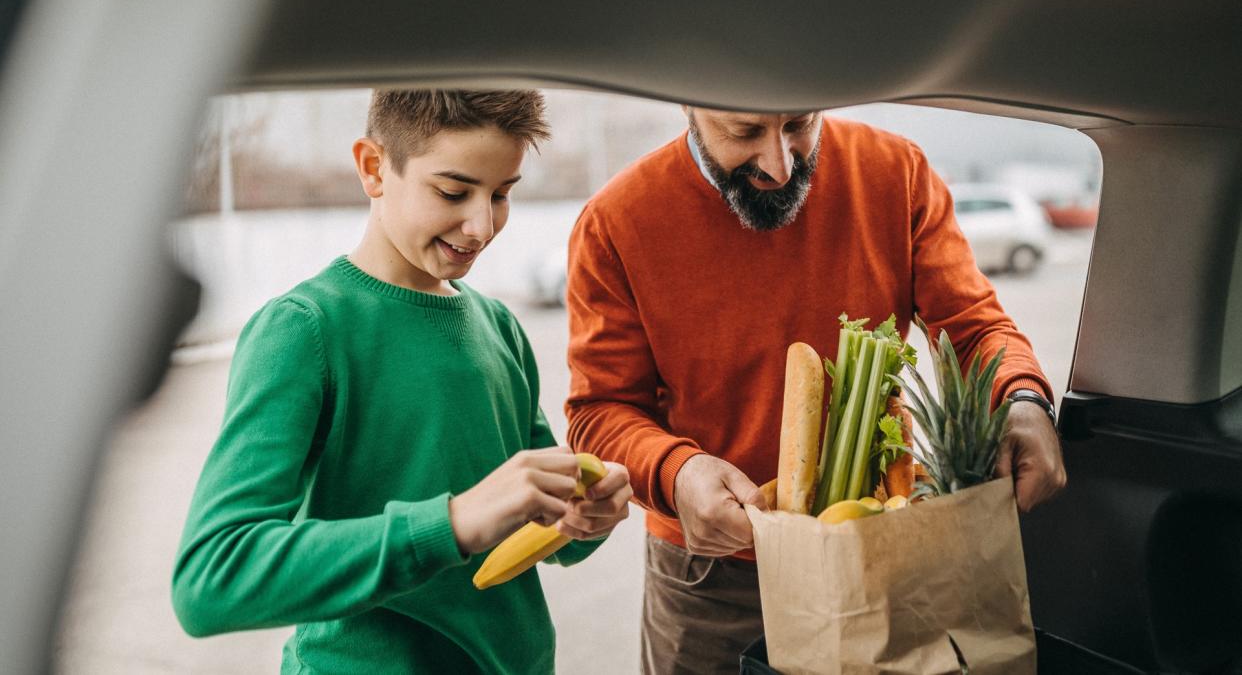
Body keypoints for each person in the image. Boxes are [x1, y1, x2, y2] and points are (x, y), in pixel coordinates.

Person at [565, 106, 1066, 672]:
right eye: (744, 132)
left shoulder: (897, 172)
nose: (780, 165)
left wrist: (1022, 398)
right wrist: (676, 473)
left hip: (876, 551)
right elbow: (600, 410)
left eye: (800, 124)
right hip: (711, 576)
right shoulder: (615, 221)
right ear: (688, 105)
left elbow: (973, 327)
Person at [172, 89, 633, 674]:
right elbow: (212, 578)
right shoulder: (303, 331)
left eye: (502, 193)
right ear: (373, 169)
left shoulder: (499, 326)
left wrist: (584, 516)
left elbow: (545, 519)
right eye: (453, 191)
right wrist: (452, 523)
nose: (481, 224)